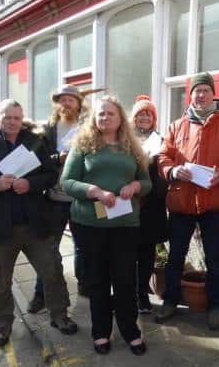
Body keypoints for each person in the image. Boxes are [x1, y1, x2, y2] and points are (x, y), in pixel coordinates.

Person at [0, 99, 78, 348]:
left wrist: (30, 184)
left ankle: (59, 315)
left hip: (35, 224)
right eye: (7, 117)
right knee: (0, 279)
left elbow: (50, 175)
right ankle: (3, 324)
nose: (12, 122)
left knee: (53, 271)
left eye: (16, 117)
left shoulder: (34, 143)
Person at [155, 72, 219, 330]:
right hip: (181, 202)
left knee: (215, 258)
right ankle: (171, 300)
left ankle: (216, 304)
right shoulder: (176, 125)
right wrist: (173, 171)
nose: (201, 94)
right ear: (191, 94)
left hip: (213, 202)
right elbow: (163, 156)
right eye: (197, 90)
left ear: (213, 93)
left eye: (205, 90)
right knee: (175, 256)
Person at [60, 95, 151, 356]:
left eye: (110, 113)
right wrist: (95, 191)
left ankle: (130, 332)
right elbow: (67, 182)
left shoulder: (132, 148)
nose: (104, 118)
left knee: (124, 281)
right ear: (94, 118)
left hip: (125, 225)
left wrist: (134, 186)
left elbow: (146, 183)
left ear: (120, 118)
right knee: (97, 281)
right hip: (90, 225)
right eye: (100, 114)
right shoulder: (82, 145)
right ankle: (100, 333)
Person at [27, 84, 88, 314]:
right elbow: (37, 158)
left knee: (83, 248)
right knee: (48, 250)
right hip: (53, 198)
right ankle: (40, 295)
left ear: (78, 103)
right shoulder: (48, 129)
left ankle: (84, 288)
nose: (66, 103)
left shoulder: (87, 128)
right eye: (62, 99)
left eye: (70, 99)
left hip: (81, 199)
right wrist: (57, 157)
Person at [130, 95, 168, 314]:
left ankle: (142, 293)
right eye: (141, 114)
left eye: (149, 114)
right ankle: (126, 292)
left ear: (154, 119)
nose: (145, 117)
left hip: (151, 204)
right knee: (125, 251)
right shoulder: (123, 139)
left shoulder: (160, 140)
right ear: (134, 118)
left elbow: (164, 170)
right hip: (127, 201)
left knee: (146, 253)